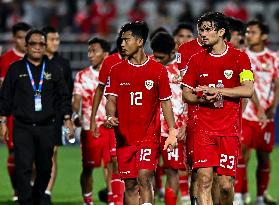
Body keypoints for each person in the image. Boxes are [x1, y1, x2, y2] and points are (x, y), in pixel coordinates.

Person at [181, 12, 254, 205]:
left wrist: (219, 92)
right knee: (204, 179)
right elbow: (186, 93)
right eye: (200, 30)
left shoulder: (240, 58)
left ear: (221, 32)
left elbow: (248, 89)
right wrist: (202, 99)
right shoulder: (196, 60)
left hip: (228, 130)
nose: (202, 34)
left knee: (225, 184)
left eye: (207, 29)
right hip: (203, 129)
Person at [105, 21, 178, 205]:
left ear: (139, 41)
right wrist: (110, 115)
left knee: (144, 177)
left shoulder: (158, 70)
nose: (122, 44)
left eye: (126, 40)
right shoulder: (116, 71)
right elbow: (111, 100)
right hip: (124, 137)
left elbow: (166, 102)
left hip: (148, 136)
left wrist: (171, 131)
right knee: (130, 184)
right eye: (121, 40)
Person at [0, 29, 74, 205]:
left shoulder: (54, 69)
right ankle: (25, 201)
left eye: (41, 43)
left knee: (45, 167)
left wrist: (67, 118)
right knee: (23, 167)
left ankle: (39, 197)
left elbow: (63, 96)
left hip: (46, 126)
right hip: (22, 127)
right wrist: (3, 122)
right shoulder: (15, 69)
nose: (37, 47)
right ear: (26, 46)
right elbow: (5, 98)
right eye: (33, 43)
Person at [241, 20, 279, 205]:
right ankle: (242, 194)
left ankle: (260, 197)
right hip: (246, 114)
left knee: (264, 157)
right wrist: (258, 108)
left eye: (253, 32)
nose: (248, 35)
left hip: (266, 117)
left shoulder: (273, 58)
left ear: (264, 36)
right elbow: (247, 85)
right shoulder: (242, 56)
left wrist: (272, 107)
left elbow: (278, 84)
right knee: (242, 155)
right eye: (247, 32)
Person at [72, 37, 112, 205]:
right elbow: (76, 100)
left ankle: (112, 198)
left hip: (110, 126)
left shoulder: (114, 73)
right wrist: (76, 115)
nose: (90, 55)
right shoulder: (82, 75)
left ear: (106, 54)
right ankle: (87, 200)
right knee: (88, 168)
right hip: (90, 127)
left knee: (111, 165)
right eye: (89, 51)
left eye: (94, 51)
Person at [151, 32, 188, 205]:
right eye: (155, 56)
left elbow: (189, 100)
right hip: (148, 129)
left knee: (173, 171)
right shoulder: (148, 65)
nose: (157, 60)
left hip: (172, 131)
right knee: (144, 172)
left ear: (172, 53)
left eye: (161, 57)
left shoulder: (183, 69)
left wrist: (185, 125)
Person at [90, 34, 126, 205]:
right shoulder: (110, 62)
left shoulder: (144, 61)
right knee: (114, 160)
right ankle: (116, 200)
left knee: (138, 164)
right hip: (115, 119)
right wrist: (92, 119)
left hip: (138, 120)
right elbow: (100, 89)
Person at [41, 26, 74, 204]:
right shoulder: (34, 61)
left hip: (55, 116)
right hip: (33, 116)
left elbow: (67, 93)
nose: (56, 43)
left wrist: (67, 117)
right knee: (32, 155)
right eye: (52, 39)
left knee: (51, 154)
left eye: (57, 39)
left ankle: (46, 193)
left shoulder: (63, 64)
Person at [0, 21, 31, 202]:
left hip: (36, 113)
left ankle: (32, 186)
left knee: (36, 154)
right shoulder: (5, 60)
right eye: (19, 37)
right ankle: (17, 189)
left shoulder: (36, 57)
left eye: (25, 37)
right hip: (14, 114)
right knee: (13, 153)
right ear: (14, 39)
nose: (23, 42)